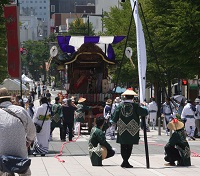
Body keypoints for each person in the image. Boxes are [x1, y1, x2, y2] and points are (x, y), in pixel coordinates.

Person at [0, 87, 36, 176]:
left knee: (3, 171)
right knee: (25, 172)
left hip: (2, 155)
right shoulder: (21, 110)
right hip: (20, 152)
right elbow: (32, 130)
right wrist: (28, 141)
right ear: (9, 98)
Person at [112, 88, 148, 168]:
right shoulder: (135, 106)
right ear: (133, 97)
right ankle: (126, 161)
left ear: (125, 96)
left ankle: (124, 161)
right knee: (129, 145)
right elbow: (144, 112)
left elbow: (114, 117)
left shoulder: (120, 105)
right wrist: (145, 106)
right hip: (132, 128)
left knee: (123, 144)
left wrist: (113, 123)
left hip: (122, 128)